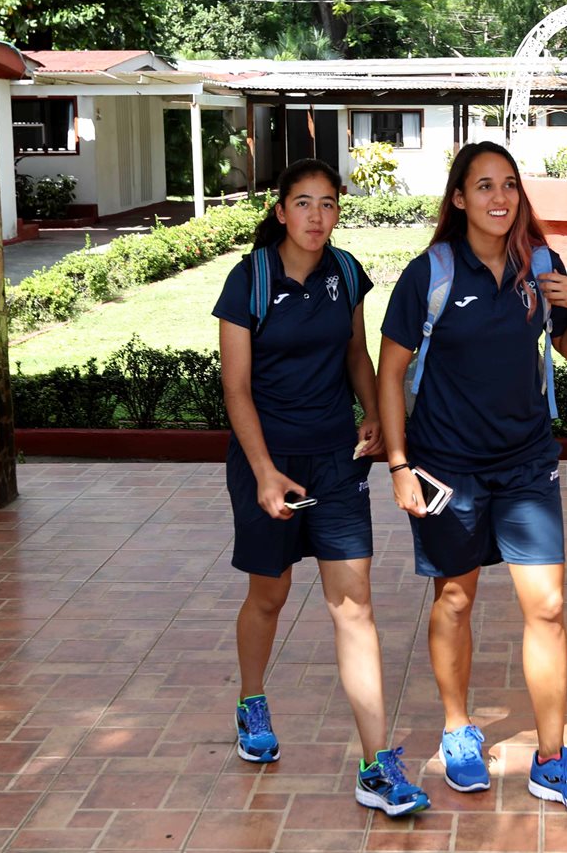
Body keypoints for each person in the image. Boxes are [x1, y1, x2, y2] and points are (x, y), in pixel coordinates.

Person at [376, 142, 567, 813]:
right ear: (459, 198)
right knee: (455, 599)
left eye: (508, 184)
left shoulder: (540, 265)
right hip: (445, 468)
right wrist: (399, 465)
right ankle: (458, 730)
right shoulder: (429, 274)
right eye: (483, 186)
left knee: (549, 606)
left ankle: (551, 760)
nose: (499, 198)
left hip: (526, 463)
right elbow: (390, 373)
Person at [213, 158, 429, 817]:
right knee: (270, 594)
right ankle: (252, 700)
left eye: (328, 203)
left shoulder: (345, 272)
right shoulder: (249, 279)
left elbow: (356, 354)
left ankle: (376, 764)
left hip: (336, 462)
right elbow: (235, 387)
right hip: (271, 461)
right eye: (303, 203)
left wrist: (373, 412)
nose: (316, 215)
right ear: (280, 211)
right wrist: (263, 470)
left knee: (354, 606)